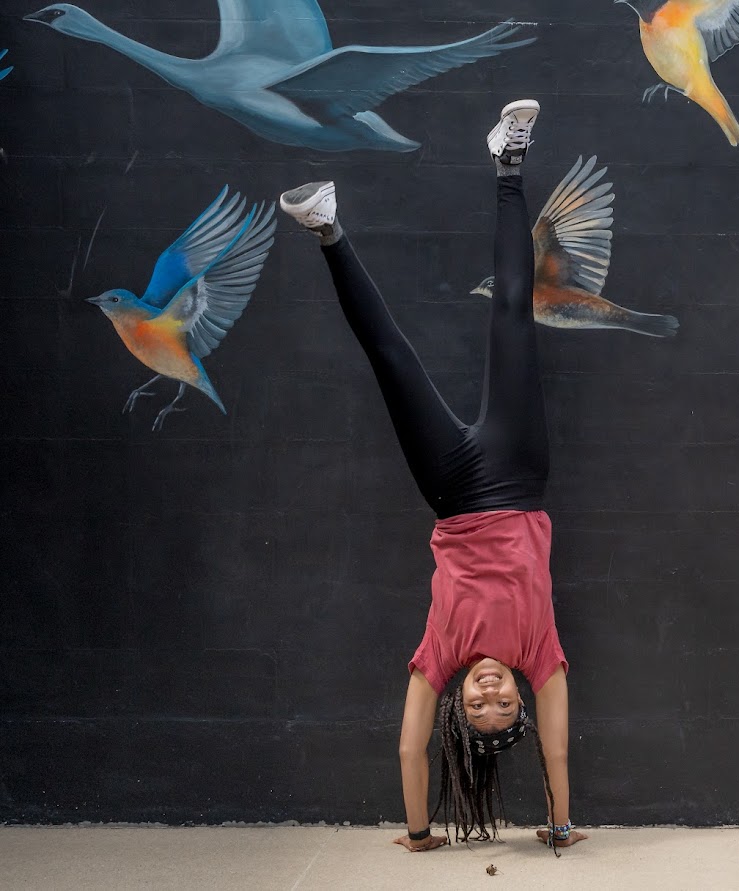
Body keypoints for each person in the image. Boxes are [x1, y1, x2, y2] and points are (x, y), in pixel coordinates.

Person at [279, 101, 586, 853]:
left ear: (455, 701)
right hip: (517, 478)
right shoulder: (541, 654)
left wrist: (420, 832)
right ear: (519, 697)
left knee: (390, 359)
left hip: (451, 491)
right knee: (515, 313)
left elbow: (410, 750)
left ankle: (327, 229)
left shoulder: (438, 656)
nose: (488, 692)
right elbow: (555, 749)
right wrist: (557, 823)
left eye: (476, 704)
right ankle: (508, 163)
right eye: (501, 703)